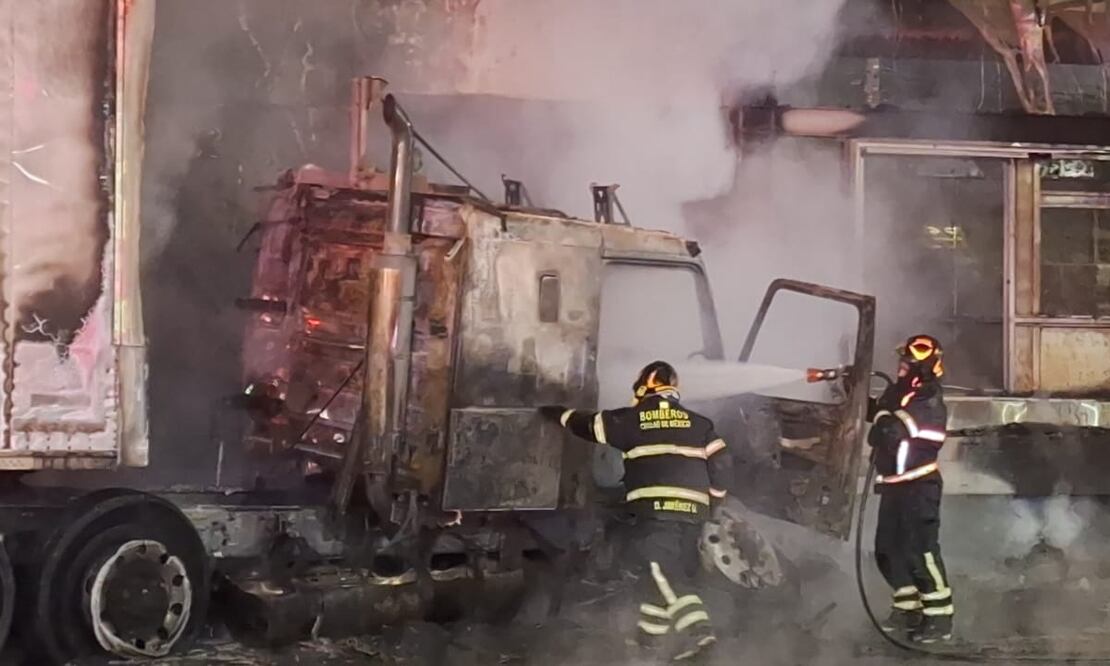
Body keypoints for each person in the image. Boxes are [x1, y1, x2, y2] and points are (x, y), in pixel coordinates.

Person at [540, 360, 731, 662]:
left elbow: (588, 425)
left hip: (656, 513)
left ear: (643, 387)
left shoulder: (634, 419)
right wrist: (715, 501)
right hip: (693, 516)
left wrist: (558, 414)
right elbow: (722, 465)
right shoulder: (700, 424)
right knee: (654, 583)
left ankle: (701, 637)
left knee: (661, 571)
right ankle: (647, 647)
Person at [868, 334, 953, 644]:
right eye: (901, 361)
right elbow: (880, 415)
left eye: (907, 363)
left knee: (921, 552)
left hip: (919, 486)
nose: (901, 366)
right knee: (888, 552)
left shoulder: (929, 397)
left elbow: (906, 429)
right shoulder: (898, 393)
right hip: (894, 488)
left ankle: (940, 619)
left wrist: (885, 423)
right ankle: (908, 611)